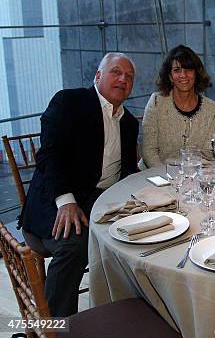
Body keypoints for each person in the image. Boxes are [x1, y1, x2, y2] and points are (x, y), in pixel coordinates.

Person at [19, 53, 139, 316]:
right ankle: (58, 328)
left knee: (140, 233)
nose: (123, 79)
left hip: (102, 200)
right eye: (116, 72)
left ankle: (120, 311)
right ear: (98, 76)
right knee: (74, 246)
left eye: (129, 77)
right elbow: (49, 156)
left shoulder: (129, 123)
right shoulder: (69, 102)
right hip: (57, 199)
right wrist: (66, 201)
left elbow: (128, 171)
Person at [141, 45, 215, 168]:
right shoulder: (156, 102)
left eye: (188, 69)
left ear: (196, 73)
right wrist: (166, 177)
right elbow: (148, 152)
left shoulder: (212, 109)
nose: (183, 75)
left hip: (193, 174)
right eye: (177, 70)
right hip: (155, 176)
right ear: (170, 76)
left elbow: (208, 153)